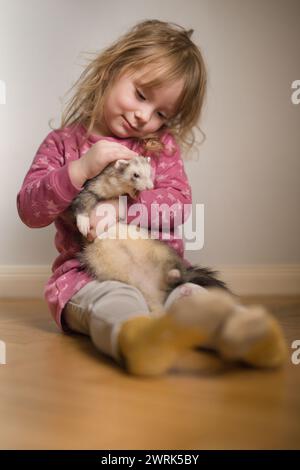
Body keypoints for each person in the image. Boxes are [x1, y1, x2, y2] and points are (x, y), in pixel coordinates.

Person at [17, 20, 286, 376]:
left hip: (161, 271)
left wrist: (126, 206)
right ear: (111, 70)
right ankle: (139, 338)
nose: (144, 115)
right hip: (89, 278)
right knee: (116, 302)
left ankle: (236, 330)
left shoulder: (158, 148)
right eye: (142, 95)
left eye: (161, 113)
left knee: (191, 296)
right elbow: (30, 210)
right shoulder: (63, 145)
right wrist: (79, 170)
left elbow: (177, 204)